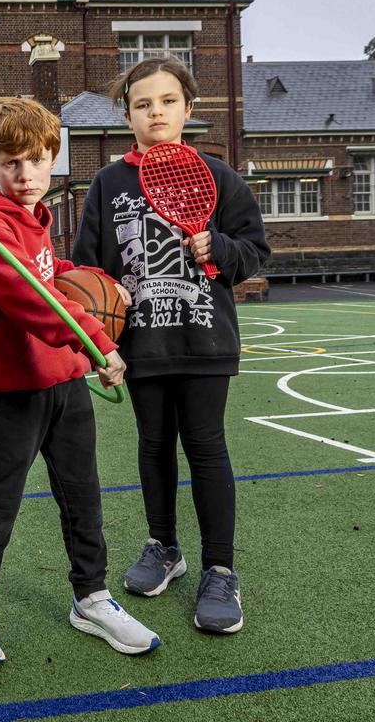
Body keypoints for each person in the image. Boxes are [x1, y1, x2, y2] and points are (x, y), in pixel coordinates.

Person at [0, 98, 160, 667]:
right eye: (12, 163)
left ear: (53, 159)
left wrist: (86, 278)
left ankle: (91, 596)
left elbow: (47, 273)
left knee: (83, 496)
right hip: (15, 390)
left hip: (64, 386)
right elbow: (28, 296)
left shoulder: (34, 218)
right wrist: (98, 339)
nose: (26, 175)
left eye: (37, 161)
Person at [72, 56, 270, 634]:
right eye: (142, 104)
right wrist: (100, 330)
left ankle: (219, 568)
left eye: (166, 101)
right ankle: (164, 546)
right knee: (153, 444)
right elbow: (88, 269)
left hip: (205, 339)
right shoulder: (108, 184)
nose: (155, 112)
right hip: (142, 345)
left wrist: (220, 251)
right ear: (127, 114)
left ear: (188, 107)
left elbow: (255, 251)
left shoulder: (217, 174)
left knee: (206, 446)